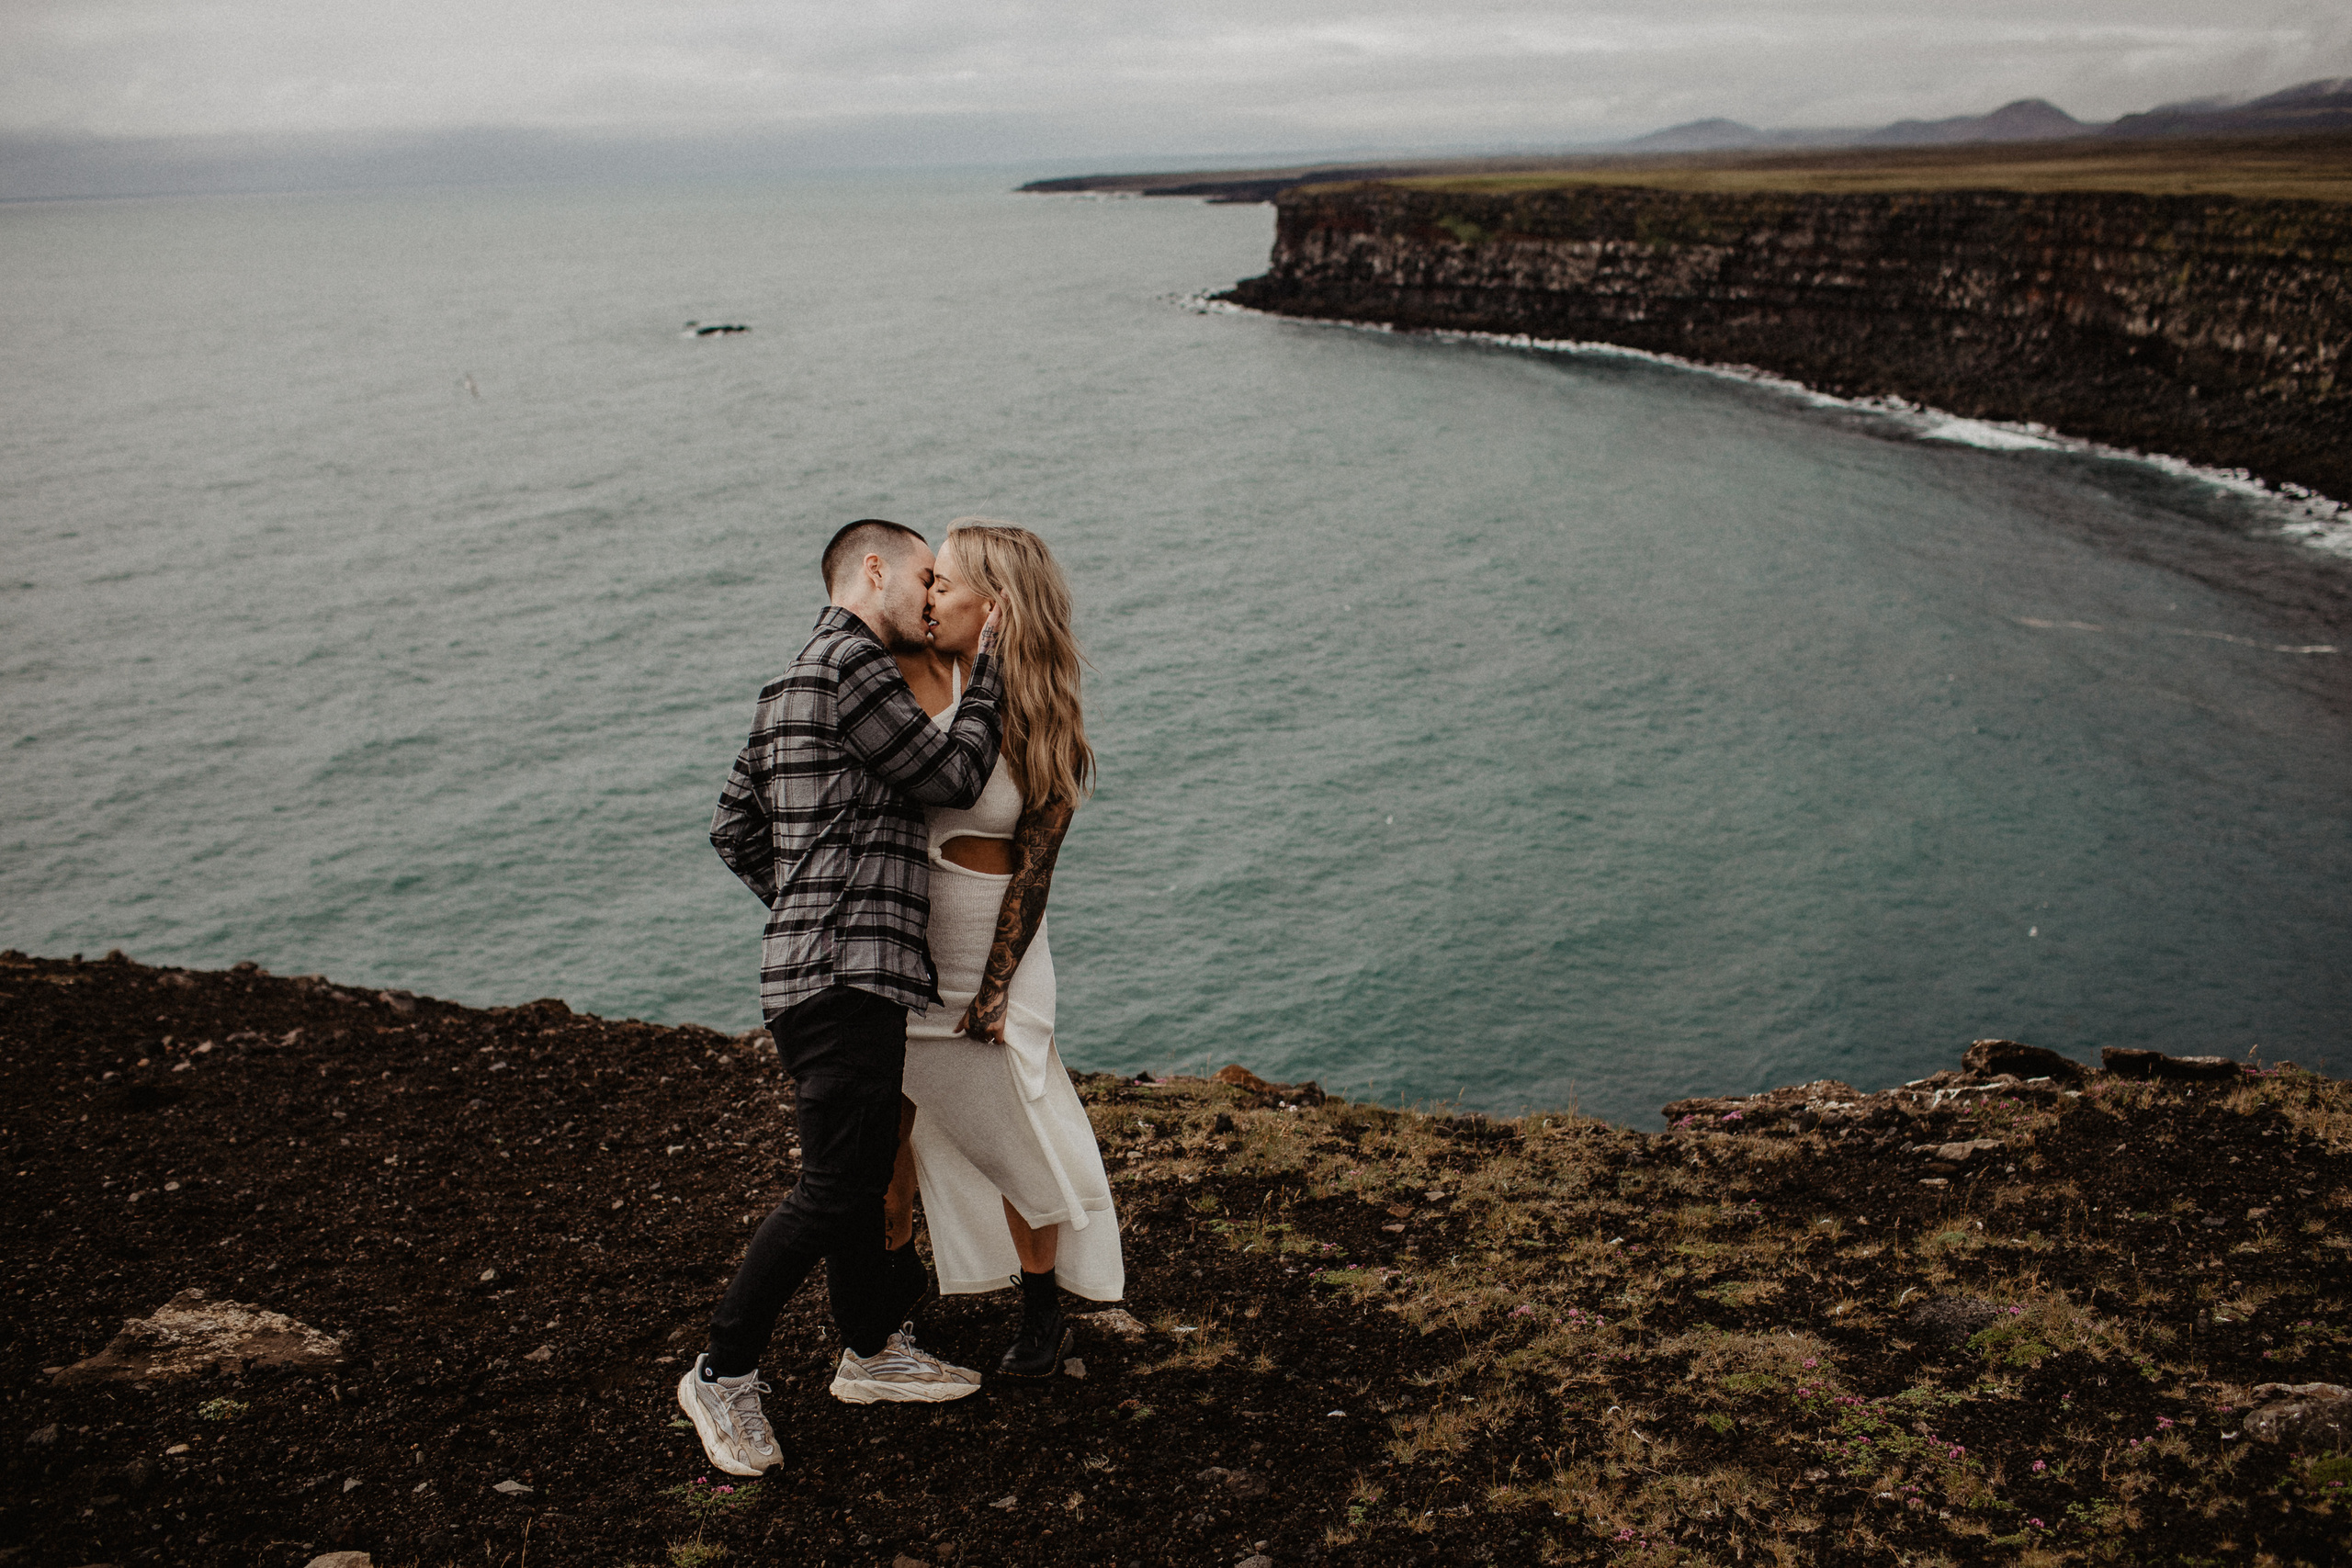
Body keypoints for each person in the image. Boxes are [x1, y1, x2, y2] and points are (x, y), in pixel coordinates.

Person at [678, 518, 1003, 1480]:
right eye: (923, 577)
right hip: (844, 970)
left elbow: (733, 826)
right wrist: (985, 669)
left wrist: (806, 903)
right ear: (873, 569)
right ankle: (722, 1371)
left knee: (858, 1178)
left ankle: (871, 1351)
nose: (932, 596)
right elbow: (953, 774)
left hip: (815, 968)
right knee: (832, 1190)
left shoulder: (788, 681)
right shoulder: (853, 664)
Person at [887, 519, 1125, 1378]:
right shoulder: (901, 678)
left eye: (944, 582)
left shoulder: (1042, 709)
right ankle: (887, 1320)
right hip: (902, 950)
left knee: (1017, 1130)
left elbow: (1036, 866)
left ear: (996, 605)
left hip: (997, 955)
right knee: (889, 1148)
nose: (927, 594)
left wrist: (993, 988)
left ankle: (1042, 1313)